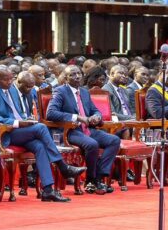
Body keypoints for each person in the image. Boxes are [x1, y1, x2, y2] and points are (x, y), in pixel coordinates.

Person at [0, 65, 85, 202]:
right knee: (41, 128)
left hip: (18, 131)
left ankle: (47, 190)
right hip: (2, 133)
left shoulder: (11, 89)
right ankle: (62, 166)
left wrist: (26, 120)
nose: (10, 82)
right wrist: (18, 123)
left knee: (39, 146)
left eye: (11, 79)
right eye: (6, 80)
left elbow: (19, 111)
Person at [46, 65, 121, 194]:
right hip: (70, 131)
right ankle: (90, 180)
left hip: (87, 129)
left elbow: (95, 110)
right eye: (72, 74)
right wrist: (77, 117)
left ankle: (99, 177)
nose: (77, 77)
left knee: (114, 140)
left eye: (78, 74)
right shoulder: (60, 91)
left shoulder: (85, 92)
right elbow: (51, 113)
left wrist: (97, 116)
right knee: (92, 144)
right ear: (66, 78)